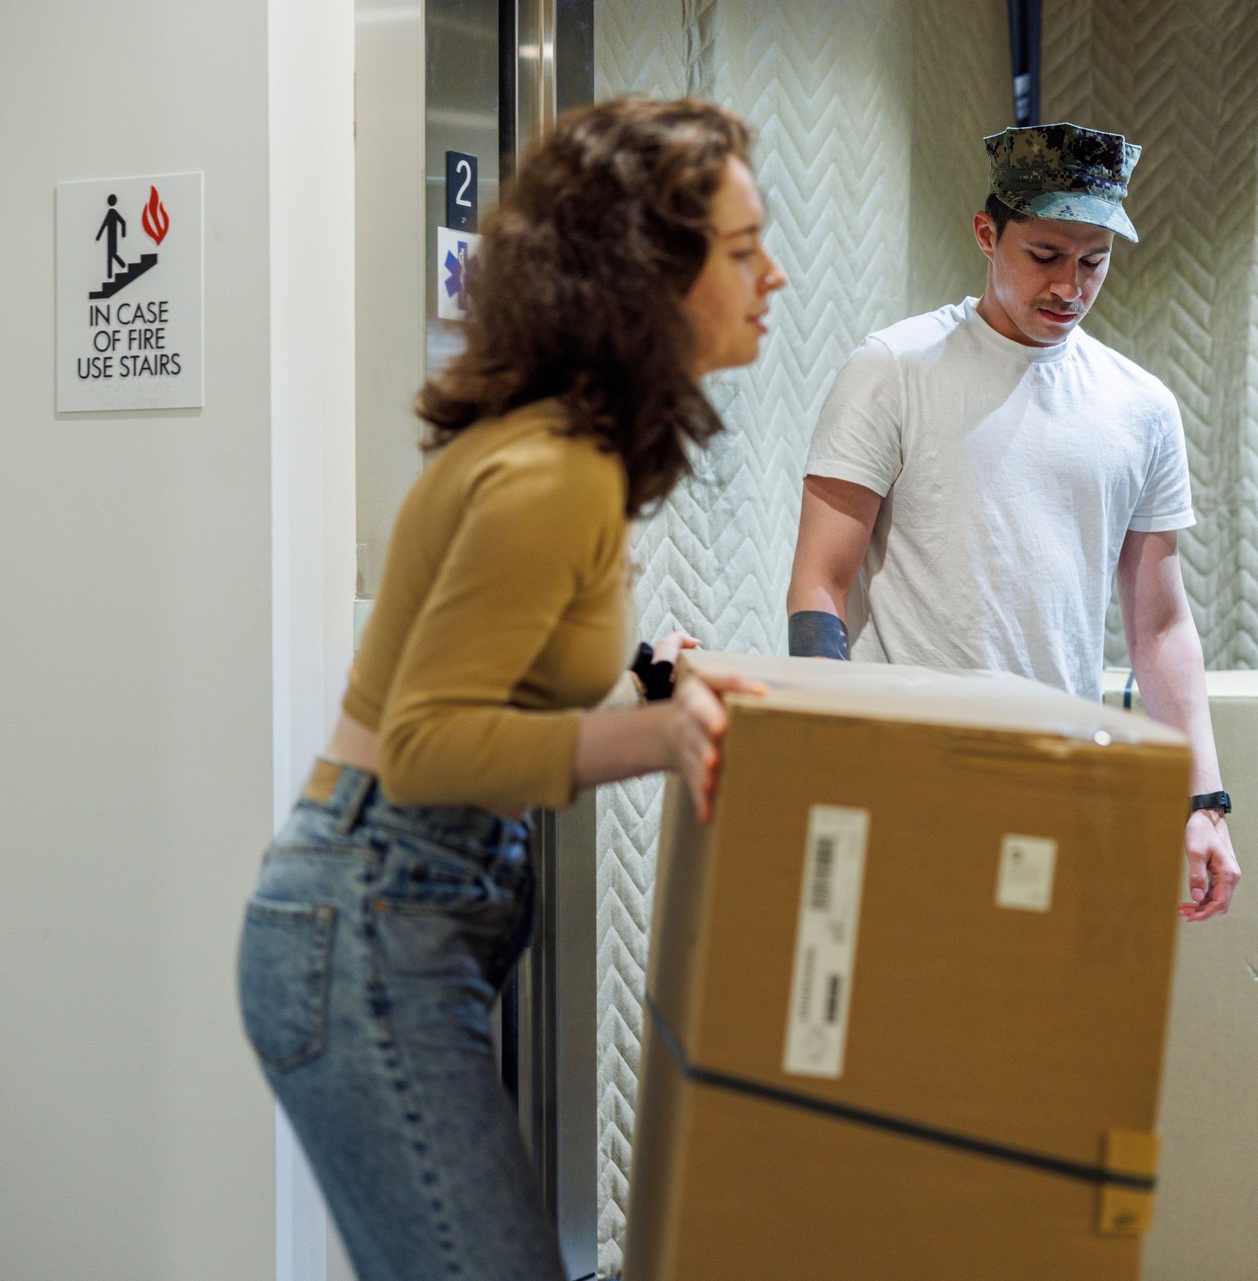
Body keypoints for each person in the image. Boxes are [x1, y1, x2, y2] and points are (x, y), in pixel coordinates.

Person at [237, 97, 784, 1281]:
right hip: (375, 908)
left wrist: (659, 675)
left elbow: (525, 656)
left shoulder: (551, 448)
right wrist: (658, 736)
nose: (772, 276)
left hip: (392, 901)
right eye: (743, 253)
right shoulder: (556, 471)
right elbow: (431, 743)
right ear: (648, 276)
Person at [786, 123, 1241, 921]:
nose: (1071, 285)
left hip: (1057, 786)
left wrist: (1203, 800)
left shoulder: (1141, 407)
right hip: (902, 776)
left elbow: (1162, 627)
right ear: (987, 235)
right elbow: (819, 582)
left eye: (1094, 260)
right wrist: (827, 755)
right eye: (1045, 256)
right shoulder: (893, 369)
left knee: (1034, 1033)